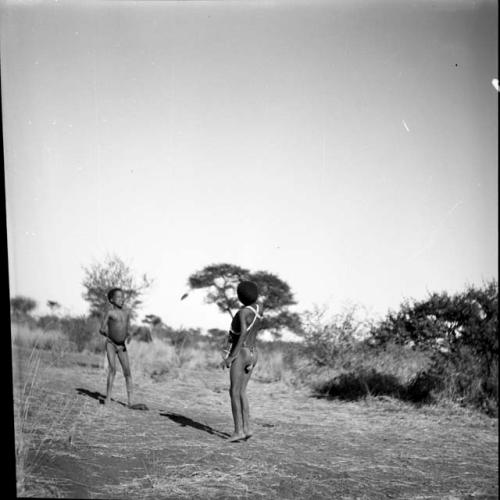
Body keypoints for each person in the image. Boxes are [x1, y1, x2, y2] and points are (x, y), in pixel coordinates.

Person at [220, 280, 263, 442]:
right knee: (242, 392)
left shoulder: (243, 313)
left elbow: (243, 333)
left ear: (239, 297)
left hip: (242, 353)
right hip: (253, 352)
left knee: (234, 392)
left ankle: (238, 431)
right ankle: (248, 428)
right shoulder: (259, 308)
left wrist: (231, 357)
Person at [99, 288, 134, 407]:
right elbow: (102, 329)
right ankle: (108, 398)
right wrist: (110, 336)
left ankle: (130, 402)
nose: (122, 299)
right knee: (112, 369)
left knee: (128, 372)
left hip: (122, 346)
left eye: (122, 297)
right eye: (118, 297)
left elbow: (128, 330)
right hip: (111, 344)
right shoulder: (110, 313)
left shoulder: (127, 313)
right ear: (111, 300)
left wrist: (129, 336)